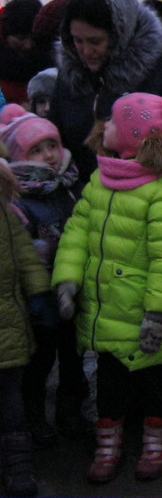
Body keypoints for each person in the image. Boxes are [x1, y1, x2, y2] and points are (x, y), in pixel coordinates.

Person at [52, 89, 162, 483]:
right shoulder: (101, 178)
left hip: (147, 313)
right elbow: (77, 231)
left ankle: (156, 439)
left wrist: (155, 312)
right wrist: (67, 276)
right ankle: (109, 442)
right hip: (105, 308)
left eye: (114, 121)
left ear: (136, 134)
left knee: (157, 381)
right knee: (109, 381)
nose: (106, 127)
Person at [51, 0, 162, 253]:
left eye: (95, 41)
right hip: (91, 226)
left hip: (154, 227)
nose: (85, 50)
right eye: (77, 40)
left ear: (119, 34)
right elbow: (60, 142)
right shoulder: (70, 76)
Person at [0, 105, 88, 446]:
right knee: (38, 363)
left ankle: (71, 410)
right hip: (39, 298)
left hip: (74, 290)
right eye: (36, 149)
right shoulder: (17, 199)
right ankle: (33, 415)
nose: (49, 155)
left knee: (73, 357)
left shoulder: (70, 184)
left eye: (52, 145)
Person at [0, 145, 52, 497]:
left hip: (7, 326)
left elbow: (25, 256)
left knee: (9, 403)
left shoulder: (3, 214)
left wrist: (39, 294)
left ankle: (19, 466)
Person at [0, 0, 54, 107]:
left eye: (34, 38)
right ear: (6, 34)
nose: (28, 45)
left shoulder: (52, 58)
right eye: (21, 38)